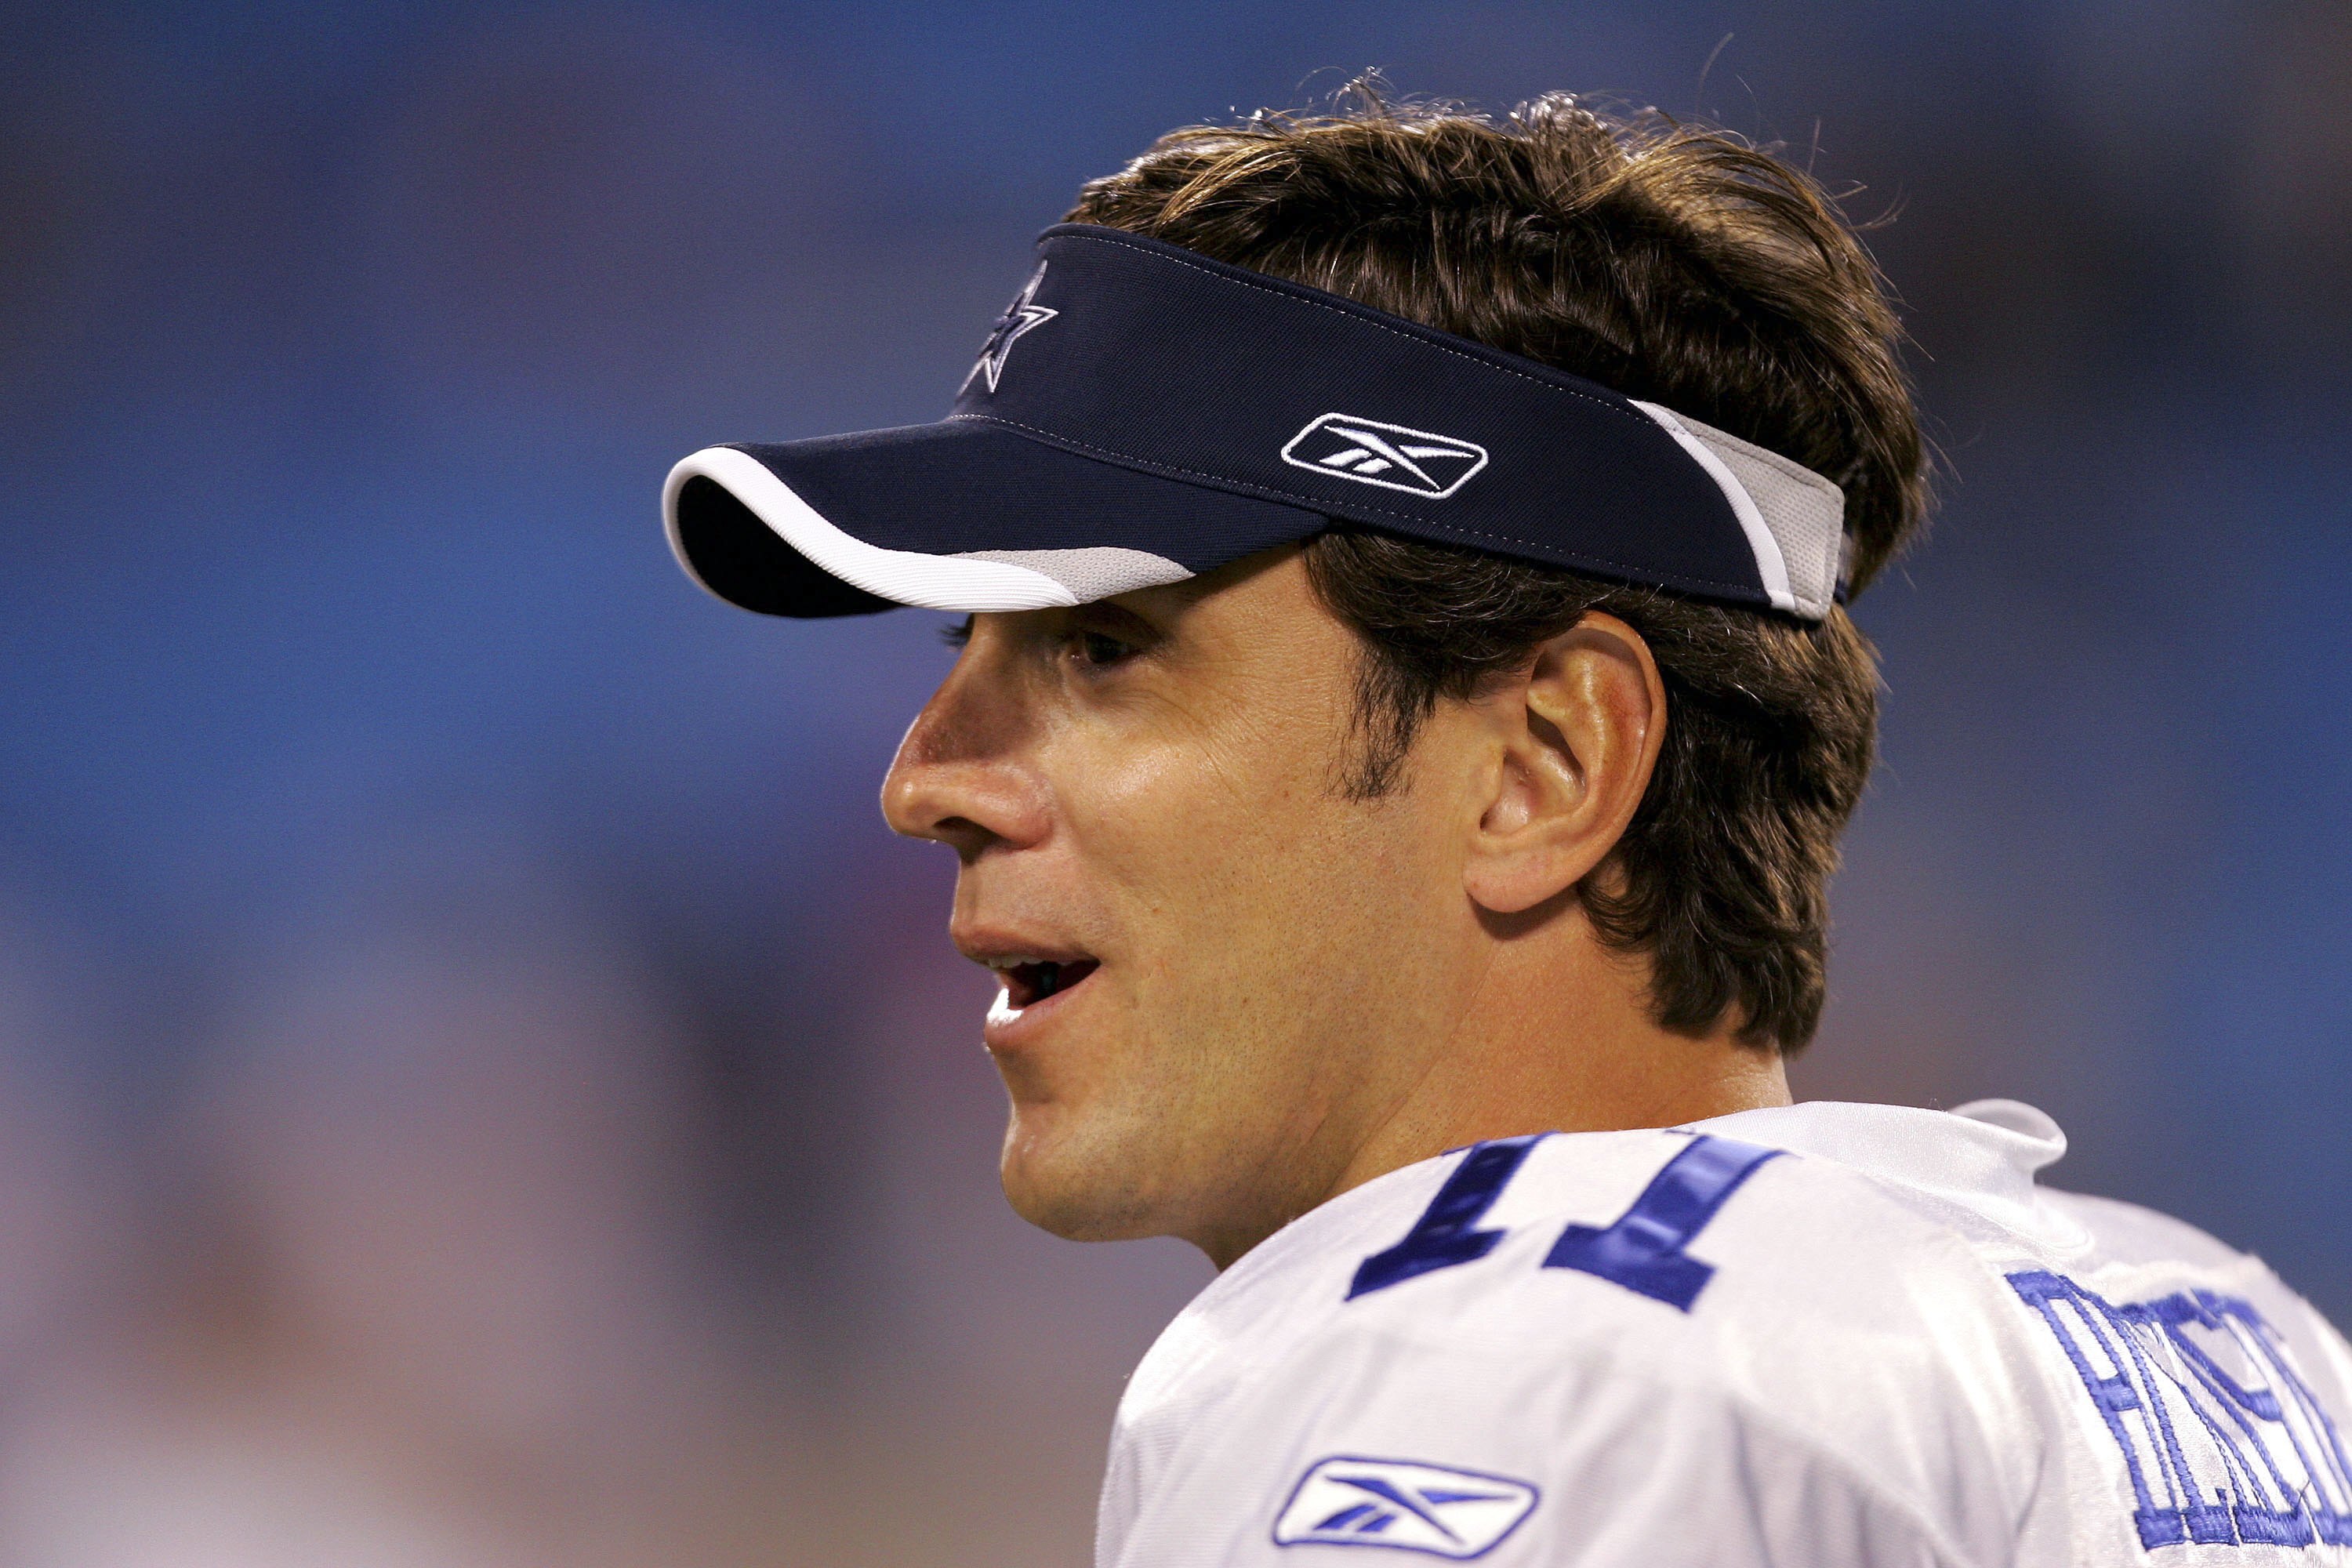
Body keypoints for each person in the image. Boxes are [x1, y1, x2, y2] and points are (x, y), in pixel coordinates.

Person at [661, 89, 2352, 1567]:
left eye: (1109, 647)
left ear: (1546, 758)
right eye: (965, 651)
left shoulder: (1499, 1368)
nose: (924, 778)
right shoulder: (2242, 1347)